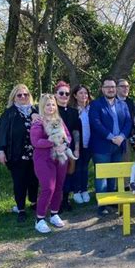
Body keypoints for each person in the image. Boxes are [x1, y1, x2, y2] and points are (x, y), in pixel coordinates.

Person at [89, 76, 132, 216]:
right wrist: (111, 137)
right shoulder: (96, 104)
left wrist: (122, 137)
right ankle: (102, 205)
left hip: (119, 145)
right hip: (102, 146)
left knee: (114, 175)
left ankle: (112, 199)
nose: (110, 89)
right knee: (102, 177)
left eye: (112, 87)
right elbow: (96, 123)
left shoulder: (122, 104)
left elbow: (128, 122)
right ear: (102, 89)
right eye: (107, 87)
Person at [0, 84, 39, 223]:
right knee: (19, 182)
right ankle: (21, 208)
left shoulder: (36, 111)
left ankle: (33, 202)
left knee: (34, 180)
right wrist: (1, 151)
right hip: (16, 154)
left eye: (25, 94)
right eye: (19, 95)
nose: (23, 97)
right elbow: (1, 133)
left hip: (35, 154)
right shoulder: (9, 113)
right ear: (14, 96)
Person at [30, 94, 71, 233]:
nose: (51, 107)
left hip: (60, 157)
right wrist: (53, 142)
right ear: (42, 106)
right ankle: (39, 219)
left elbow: (68, 136)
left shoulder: (59, 120)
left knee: (59, 186)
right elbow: (36, 142)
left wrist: (64, 145)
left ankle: (54, 214)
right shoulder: (38, 122)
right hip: (43, 159)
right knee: (48, 187)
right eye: (48, 104)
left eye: (53, 104)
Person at [54, 80, 81, 210]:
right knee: (56, 176)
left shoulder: (73, 112)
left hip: (69, 149)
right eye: (61, 93)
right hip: (53, 149)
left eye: (67, 93)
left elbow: (76, 130)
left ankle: (65, 200)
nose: (64, 95)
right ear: (55, 94)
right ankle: (55, 202)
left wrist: (76, 148)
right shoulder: (50, 111)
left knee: (69, 175)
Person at [69, 84, 93, 204]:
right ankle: (76, 191)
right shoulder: (73, 110)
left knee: (85, 167)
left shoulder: (91, 109)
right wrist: (76, 147)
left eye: (85, 93)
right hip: (77, 144)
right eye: (80, 93)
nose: (84, 96)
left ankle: (84, 190)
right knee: (77, 167)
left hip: (90, 143)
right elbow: (73, 129)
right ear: (75, 95)